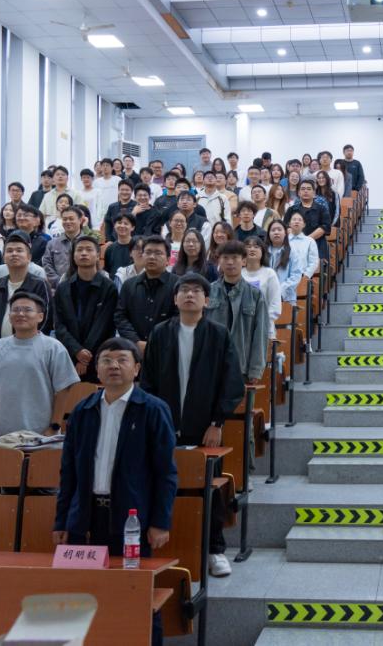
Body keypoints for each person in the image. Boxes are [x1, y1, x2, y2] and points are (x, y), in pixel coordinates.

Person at [54, 337, 177, 643]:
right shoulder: (83, 411)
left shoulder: (152, 410)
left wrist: (160, 522)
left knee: (136, 594)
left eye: (122, 360)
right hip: (85, 519)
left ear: (136, 368)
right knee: (83, 593)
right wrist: (62, 521)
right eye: (106, 360)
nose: (114, 366)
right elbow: (68, 473)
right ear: (96, 369)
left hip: (132, 521)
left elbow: (166, 473)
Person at [140, 274, 245, 577]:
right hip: (164, 426)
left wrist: (217, 422)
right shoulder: (160, 332)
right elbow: (148, 381)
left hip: (204, 428)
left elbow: (231, 383)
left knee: (208, 488)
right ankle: (159, 546)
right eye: (183, 291)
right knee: (159, 485)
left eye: (196, 291)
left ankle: (214, 550)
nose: (189, 295)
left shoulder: (218, 334)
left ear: (206, 300)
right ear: (175, 299)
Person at [0, 290, 79, 441]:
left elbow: (63, 390)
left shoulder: (54, 348)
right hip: (4, 434)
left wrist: (54, 426)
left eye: (27, 310)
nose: (20, 314)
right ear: (9, 316)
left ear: (40, 317)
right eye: (15, 310)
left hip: (42, 435)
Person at [54, 236, 118, 384]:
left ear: (97, 255)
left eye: (89, 249)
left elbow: (103, 325)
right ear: (73, 256)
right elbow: (59, 325)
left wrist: (84, 357)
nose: (84, 253)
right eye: (79, 250)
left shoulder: (109, 288)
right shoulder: (63, 288)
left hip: (99, 356)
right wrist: (76, 351)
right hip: (69, 355)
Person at [0, 231, 52, 348]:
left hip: (31, 348)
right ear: (4, 257)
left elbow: (46, 319)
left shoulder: (39, 284)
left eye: (19, 250)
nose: (14, 254)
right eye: (9, 251)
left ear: (29, 257)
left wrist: (27, 343)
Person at [206, 241, 269, 383]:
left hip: (241, 366)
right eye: (225, 258)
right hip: (211, 365)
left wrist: (255, 370)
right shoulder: (208, 292)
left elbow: (260, 335)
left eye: (235, 258)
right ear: (219, 261)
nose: (230, 262)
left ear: (244, 261)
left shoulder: (255, 295)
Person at [114, 236, 179, 354]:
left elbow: (179, 317)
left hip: (167, 349)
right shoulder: (129, 285)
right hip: (134, 350)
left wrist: (154, 342)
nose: (152, 257)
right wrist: (136, 341)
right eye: (148, 252)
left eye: (158, 253)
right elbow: (120, 317)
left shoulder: (178, 285)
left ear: (168, 259)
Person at [241, 237, 281, 335]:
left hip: (264, 327)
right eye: (248, 246)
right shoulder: (238, 274)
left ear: (262, 251)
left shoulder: (270, 274)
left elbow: (275, 305)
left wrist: (261, 321)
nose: (252, 249)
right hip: (241, 327)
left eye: (256, 247)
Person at [284, 180, 332, 260]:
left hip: (317, 245)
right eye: (303, 189)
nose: (305, 191)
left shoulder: (322, 209)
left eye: (309, 189)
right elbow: (286, 226)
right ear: (299, 193)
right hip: (295, 245)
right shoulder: (291, 209)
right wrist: (297, 238)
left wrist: (306, 240)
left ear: (314, 193)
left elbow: (325, 227)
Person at [42, 205, 86, 290]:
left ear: (80, 220)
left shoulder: (88, 243)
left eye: (71, 219)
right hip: (58, 288)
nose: (67, 222)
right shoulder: (52, 244)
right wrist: (60, 283)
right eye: (65, 219)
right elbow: (47, 265)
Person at [267, 220, 302, 304]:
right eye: (273, 230)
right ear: (268, 234)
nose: (276, 232)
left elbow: (296, 276)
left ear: (285, 233)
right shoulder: (263, 252)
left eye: (279, 229)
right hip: (265, 298)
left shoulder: (292, 252)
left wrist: (280, 290)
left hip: (286, 298)